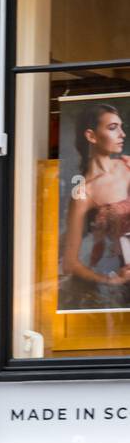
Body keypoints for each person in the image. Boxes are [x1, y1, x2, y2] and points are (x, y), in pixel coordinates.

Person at [62, 102, 130, 310]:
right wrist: (111, 281)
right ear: (91, 136)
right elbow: (70, 263)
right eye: (112, 128)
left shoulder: (127, 166)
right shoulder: (84, 193)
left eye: (121, 126)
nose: (122, 134)